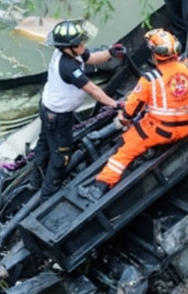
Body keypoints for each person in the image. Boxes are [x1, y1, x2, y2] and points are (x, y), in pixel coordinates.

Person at [79, 29, 188, 201]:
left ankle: (99, 187)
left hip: (161, 131)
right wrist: (185, 65)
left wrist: (122, 121)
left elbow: (131, 111)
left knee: (125, 149)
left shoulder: (150, 80)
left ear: (155, 54)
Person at [33, 20, 126, 202]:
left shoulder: (69, 52)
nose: (82, 45)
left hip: (48, 109)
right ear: (69, 47)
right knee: (61, 158)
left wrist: (110, 53)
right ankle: (47, 197)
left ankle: (35, 181)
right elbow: (93, 91)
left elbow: (91, 58)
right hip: (57, 117)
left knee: (43, 146)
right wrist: (116, 105)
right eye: (78, 43)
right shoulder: (68, 66)